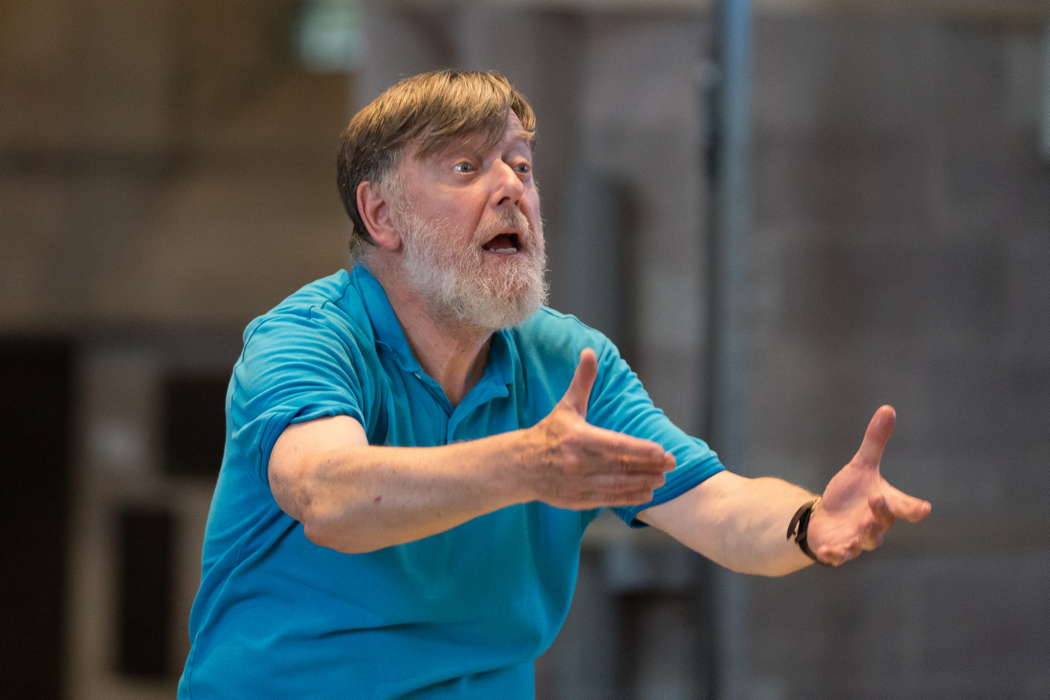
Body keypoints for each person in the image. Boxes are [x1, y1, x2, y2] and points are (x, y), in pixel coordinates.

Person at [178, 70, 931, 699]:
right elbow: (328, 495)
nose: (511, 188)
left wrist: (808, 524)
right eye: (467, 167)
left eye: (521, 166)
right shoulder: (309, 338)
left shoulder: (564, 358)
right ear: (381, 213)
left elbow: (714, 503)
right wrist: (524, 464)